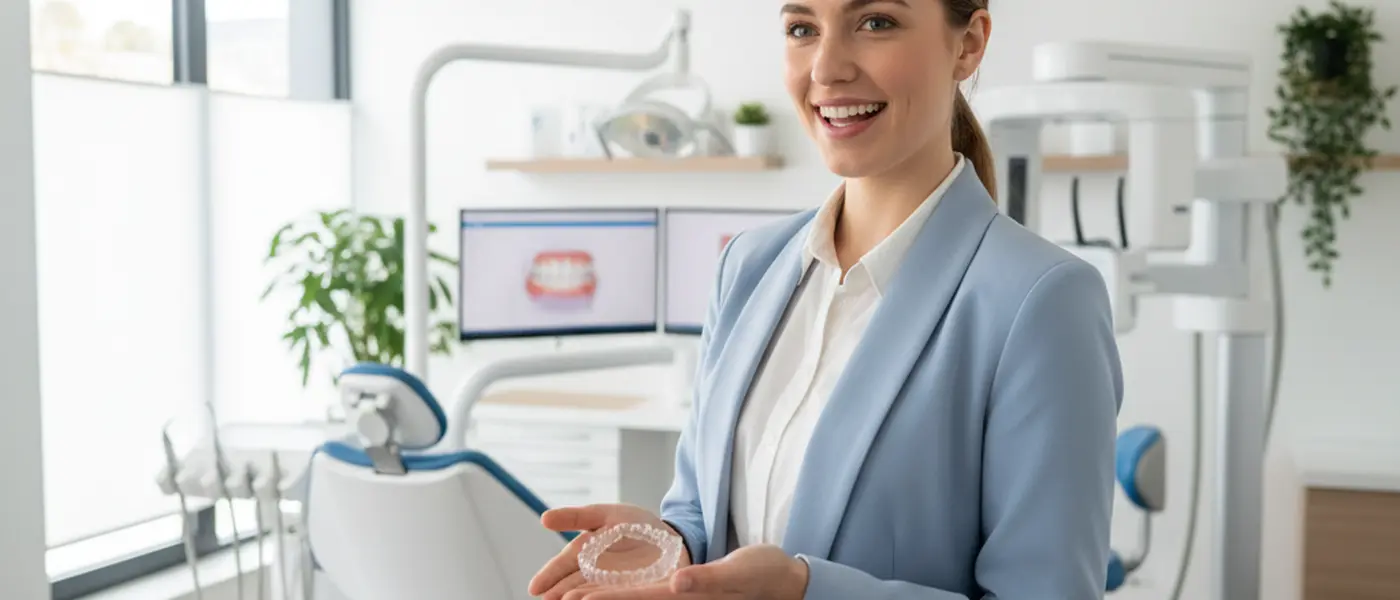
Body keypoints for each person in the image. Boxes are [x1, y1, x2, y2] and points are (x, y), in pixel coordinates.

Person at [528, 0, 1123, 597]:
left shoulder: (1043, 302)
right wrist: (673, 549)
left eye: (876, 22)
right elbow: (704, 513)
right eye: (802, 29)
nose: (826, 68)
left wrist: (805, 590)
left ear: (967, 44)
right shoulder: (747, 267)